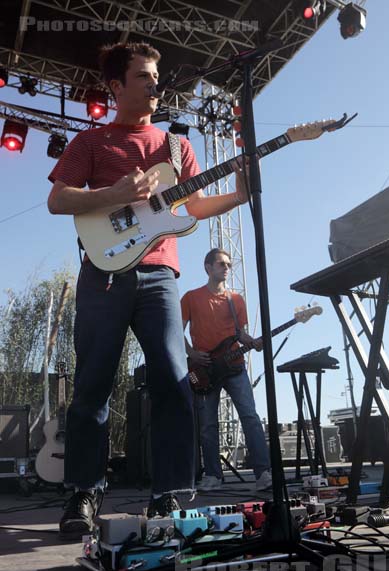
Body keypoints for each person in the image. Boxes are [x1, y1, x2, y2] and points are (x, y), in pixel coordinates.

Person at [47, 42, 249, 540]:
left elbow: (194, 208)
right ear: (116, 86)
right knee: (92, 382)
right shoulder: (90, 142)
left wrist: (242, 192)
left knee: (174, 378)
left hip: (161, 274)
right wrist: (114, 194)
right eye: (143, 76)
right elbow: (57, 199)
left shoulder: (177, 147)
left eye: (157, 76)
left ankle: (172, 492)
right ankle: (84, 490)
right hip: (104, 272)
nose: (155, 83)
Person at [181, 248, 272, 492]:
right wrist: (191, 353)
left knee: (250, 417)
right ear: (208, 267)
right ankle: (213, 475)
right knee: (208, 424)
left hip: (234, 367)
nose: (226, 268)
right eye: (221, 264)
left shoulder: (236, 300)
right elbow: (174, 332)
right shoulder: (191, 297)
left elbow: (240, 334)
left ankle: (263, 472)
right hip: (204, 369)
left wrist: (253, 342)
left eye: (229, 265)